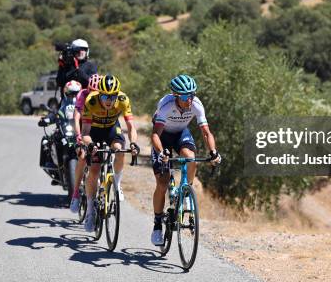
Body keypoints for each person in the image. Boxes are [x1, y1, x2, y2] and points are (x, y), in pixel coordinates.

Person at [149, 74, 221, 246]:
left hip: (181, 133)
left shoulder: (196, 104)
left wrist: (213, 151)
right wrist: (161, 152)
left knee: (190, 158)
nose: (189, 99)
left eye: (191, 95)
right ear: (175, 95)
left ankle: (186, 190)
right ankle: (158, 224)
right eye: (184, 96)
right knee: (162, 183)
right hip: (163, 137)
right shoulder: (165, 105)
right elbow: (155, 135)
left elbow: (206, 132)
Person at [75, 74, 139, 232]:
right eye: (104, 96)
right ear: (99, 94)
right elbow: (85, 132)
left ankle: (117, 184)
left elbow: (131, 126)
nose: (109, 100)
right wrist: (89, 145)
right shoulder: (91, 100)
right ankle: (90, 210)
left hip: (111, 128)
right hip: (94, 131)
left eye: (112, 96)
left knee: (119, 149)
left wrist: (133, 143)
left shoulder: (123, 100)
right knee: (94, 170)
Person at [69, 73, 101, 213]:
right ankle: (75, 193)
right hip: (84, 126)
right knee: (82, 156)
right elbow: (76, 118)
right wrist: (79, 136)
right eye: (91, 91)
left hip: (99, 127)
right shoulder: (82, 95)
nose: (93, 95)